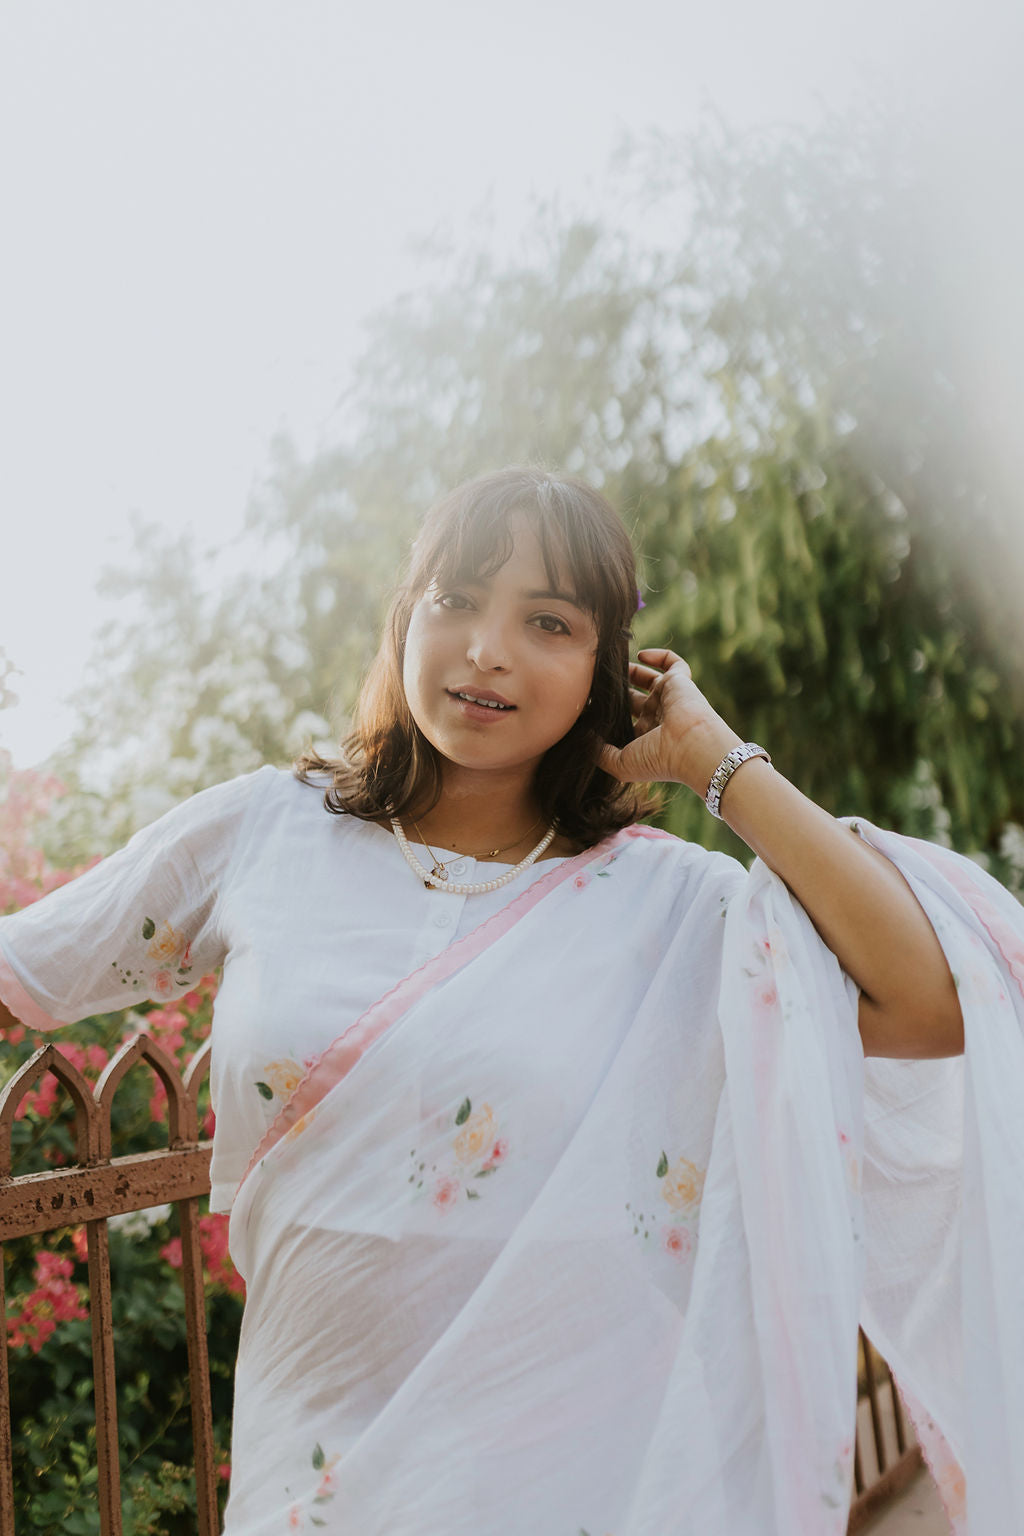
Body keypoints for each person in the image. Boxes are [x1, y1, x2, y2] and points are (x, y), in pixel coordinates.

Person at [0, 466, 1020, 1535]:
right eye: (455, 601)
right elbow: (27, 971)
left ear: (604, 670)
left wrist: (715, 759)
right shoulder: (268, 832)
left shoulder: (676, 910)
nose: (487, 648)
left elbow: (937, 1002)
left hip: (584, 1483)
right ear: (405, 619)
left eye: (547, 621)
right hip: (310, 1479)